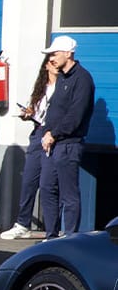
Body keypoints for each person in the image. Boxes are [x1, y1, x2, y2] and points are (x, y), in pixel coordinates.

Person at [38, 35, 95, 238]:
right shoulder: (62, 77)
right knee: (47, 188)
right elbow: (55, 110)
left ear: (68, 53)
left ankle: (70, 238)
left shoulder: (83, 79)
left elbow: (75, 115)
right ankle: (51, 236)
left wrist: (54, 134)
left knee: (68, 194)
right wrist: (46, 132)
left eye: (55, 53)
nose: (51, 58)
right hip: (51, 144)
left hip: (68, 144)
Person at [1, 57, 57, 239]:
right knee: (28, 181)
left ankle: (53, 231)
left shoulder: (64, 86)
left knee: (48, 185)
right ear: (46, 66)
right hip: (37, 133)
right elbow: (35, 110)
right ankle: (23, 224)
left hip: (53, 135)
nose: (55, 66)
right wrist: (27, 114)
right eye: (52, 62)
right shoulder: (41, 88)